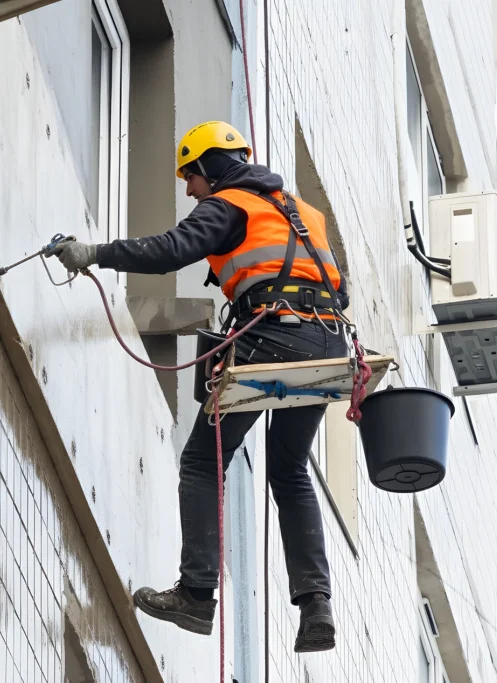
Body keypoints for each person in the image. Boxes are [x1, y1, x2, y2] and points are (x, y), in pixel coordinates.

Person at [52, 121, 349, 653]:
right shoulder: (307, 215)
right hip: (328, 348)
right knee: (289, 469)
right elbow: (339, 291)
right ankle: (316, 607)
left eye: (190, 176)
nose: (189, 188)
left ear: (210, 166)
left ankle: (195, 595)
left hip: (273, 340)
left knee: (202, 462)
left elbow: (172, 249)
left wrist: (95, 253)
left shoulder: (229, 203)